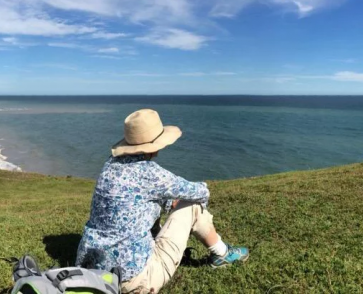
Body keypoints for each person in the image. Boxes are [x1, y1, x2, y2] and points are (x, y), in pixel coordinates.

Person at [75, 109, 249, 294]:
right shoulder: (150, 173)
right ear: (156, 144)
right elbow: (200, 192)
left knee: (164, 204)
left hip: (96, 272)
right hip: (135, 280)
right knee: (192, 205)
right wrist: (178, 199)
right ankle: (222, 253)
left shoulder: (110, 165)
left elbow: (139, 200)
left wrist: (167, 201)